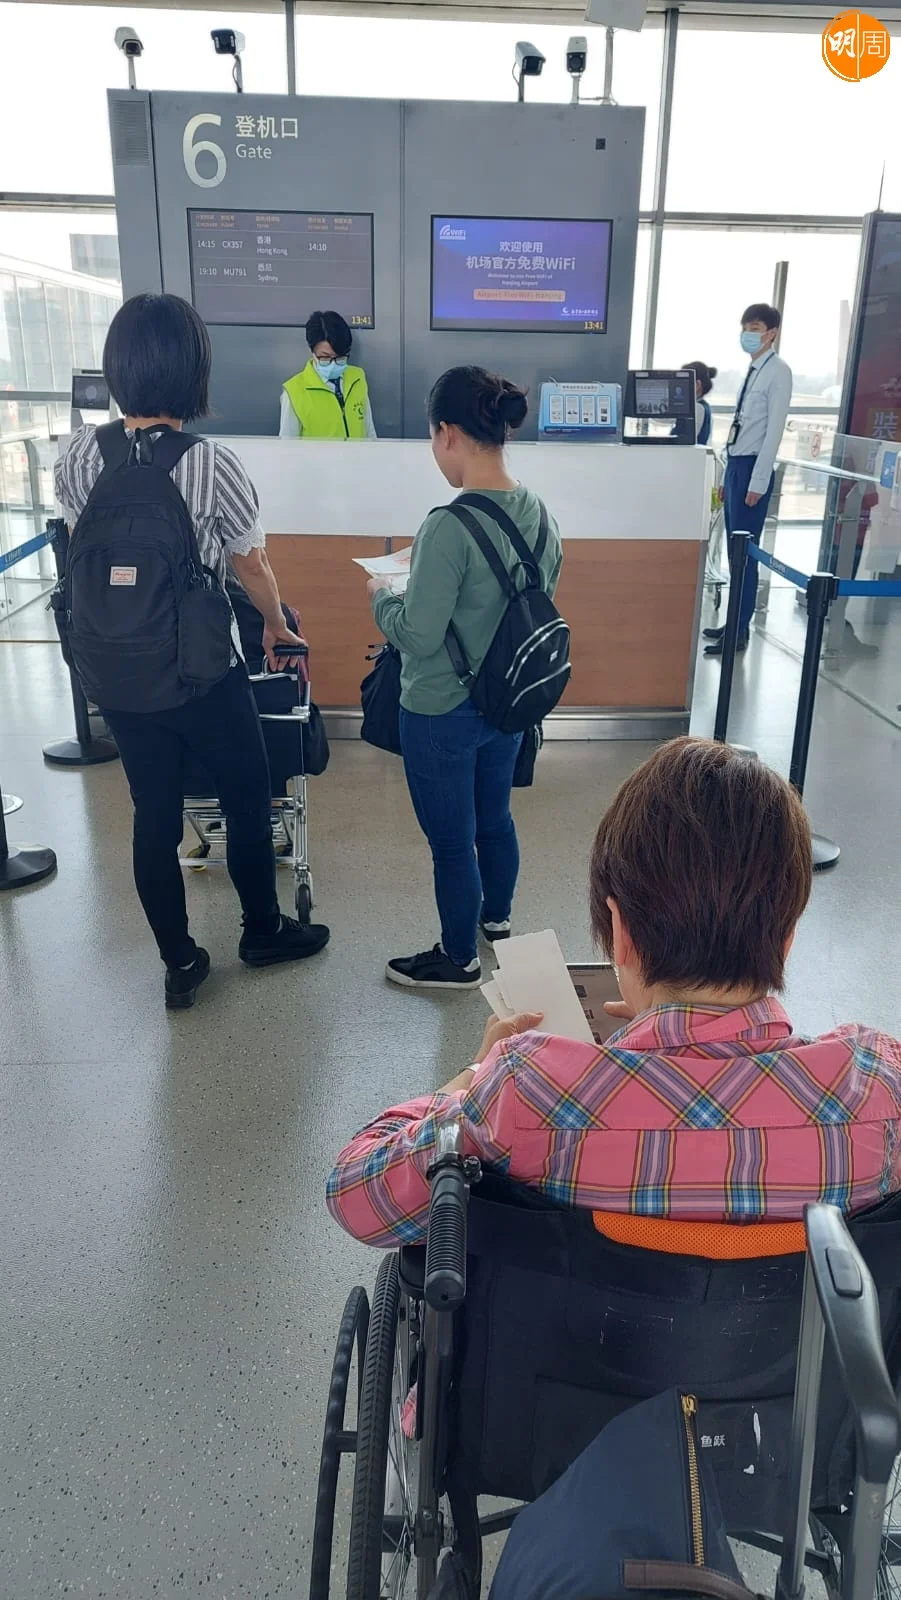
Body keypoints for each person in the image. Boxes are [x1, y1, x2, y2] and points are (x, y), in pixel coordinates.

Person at [326, 737, 901, 1247]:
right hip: (795, 1341)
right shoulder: (879, 1086)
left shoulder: (523, 1088)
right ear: (788, 938)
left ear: (621, 932)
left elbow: (354, 1194)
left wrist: (473, 1074)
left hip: (566, 1338)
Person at [55, 293, 330, 1011]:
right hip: (202, 672)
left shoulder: (78, 455)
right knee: (246, 795)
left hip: (114, 669)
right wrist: (275, 624)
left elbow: (82, 549)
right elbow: (250, 564)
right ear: (193, 372)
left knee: (152, 810)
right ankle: (262, 931)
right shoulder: (210, 464)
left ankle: (179, 963)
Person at [365, 365, 562, 993]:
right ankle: (496, 921)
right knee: (494, 819)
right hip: (507, 701)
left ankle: (458, 959)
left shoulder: (447, 525)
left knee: (452, 844)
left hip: (440, 710)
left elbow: (418, 634)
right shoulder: (537, 511)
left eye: (433, 436)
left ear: (448, 433)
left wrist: (381, 594)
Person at [704, 304, 792, 656]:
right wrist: (727, 475)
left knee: (745, 554)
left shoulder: (778, 372)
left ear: (771, 333)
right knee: (733, 552)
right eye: (745, 327)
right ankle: (733, 623)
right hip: (737, 466)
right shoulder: (753, 370)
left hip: (754, 468)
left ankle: (739, 629)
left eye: (754, 327)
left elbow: (773, 432)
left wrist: (758, 481)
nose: (748, 334)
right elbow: (740, 427)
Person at [279, 310, 377, 440]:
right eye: (325, 358)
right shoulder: (294, 392)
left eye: (340, 358)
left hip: (359, 454)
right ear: (312, 352)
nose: (333, 364)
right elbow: (287, 447)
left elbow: (369, 433)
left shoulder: (357, 378)